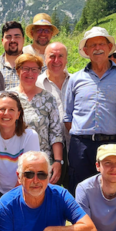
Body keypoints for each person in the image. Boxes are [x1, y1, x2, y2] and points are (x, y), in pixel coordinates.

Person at [63, 27, 116, 195]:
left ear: (110, 47)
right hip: (81, 145)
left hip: (113, 143)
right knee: (80, 191)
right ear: (86, 50)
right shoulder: (76, 79)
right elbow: (68, 116)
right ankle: (82, 222)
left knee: (112, 191)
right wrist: (82, 135)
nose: (97, 48)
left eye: (101, 43)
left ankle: (113, 222)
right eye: (92, 45)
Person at [14, 53, 63, 184]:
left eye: (34, 69)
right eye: (25, 68)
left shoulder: (48, 98)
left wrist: (58, 161)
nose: (30, 73)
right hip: (14, 161)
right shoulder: (8, 96)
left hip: (42, 162)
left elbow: (55, 132)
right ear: (18, 70)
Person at [37, 42, 71, 184]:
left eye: (60, 56)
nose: (56, 61)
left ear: (66, 59)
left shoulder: (76, 81)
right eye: (52, 56)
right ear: (45, 59)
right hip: (47, 150)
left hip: (73, 146)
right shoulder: (36, 83)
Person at [0, 21, 25, 90]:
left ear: (23, 40)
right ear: (2, 40)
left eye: (17, 36)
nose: (12, 40)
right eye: (8, 37)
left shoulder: (33, 66)